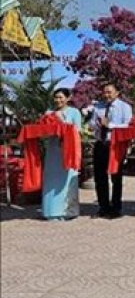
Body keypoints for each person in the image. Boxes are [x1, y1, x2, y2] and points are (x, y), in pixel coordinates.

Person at [90, 82, 132, 219]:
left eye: (110, 92)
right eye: (105, 92)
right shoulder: (98, 107)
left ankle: (116, 207)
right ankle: (103, 206)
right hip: (100, 143)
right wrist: (96, 124)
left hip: (115, 145)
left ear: (117, 92)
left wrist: (110, 125)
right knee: (100, 177)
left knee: (116, 177)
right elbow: (91, 124)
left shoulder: (125, 107)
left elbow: (127, 125)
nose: (107, 95)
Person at [41, 88, 82, 220]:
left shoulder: (74, 112)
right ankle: (50, 211)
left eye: (61, 97)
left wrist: (64, 127)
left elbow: (77, 130)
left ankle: (67, 211)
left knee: (67, 180)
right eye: (56, 97)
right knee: (51, 180)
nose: (58, 100)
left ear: (68, 98)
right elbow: (43, 131)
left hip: (68, 151)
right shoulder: (49, 113)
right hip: (53, 150)